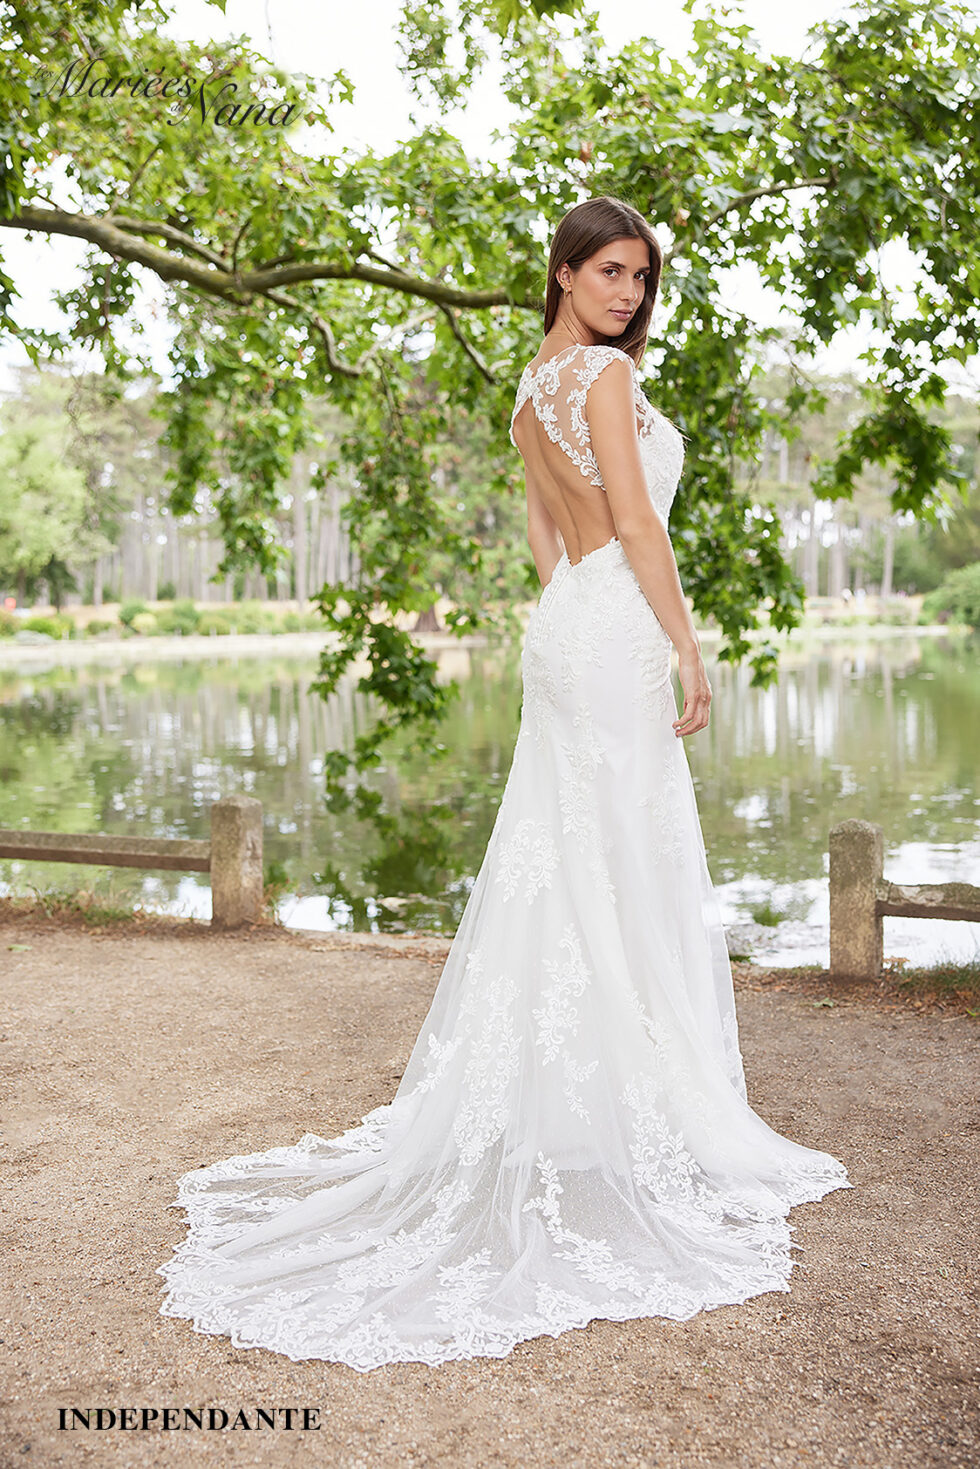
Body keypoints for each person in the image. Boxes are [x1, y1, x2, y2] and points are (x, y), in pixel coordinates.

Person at [157, 195, 851, 1372]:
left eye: (640, 277)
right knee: (617, 854)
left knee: (571, 853)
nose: (628, 293)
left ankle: (581, 1098)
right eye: (610, 271)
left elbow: (546, 531)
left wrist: (570, 612)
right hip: (613, 622)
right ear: (563, 270)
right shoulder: (605, 381)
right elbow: (634, 525)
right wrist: (683, 644)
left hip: (565, 621)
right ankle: (629, 1104)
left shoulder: (530, 389)